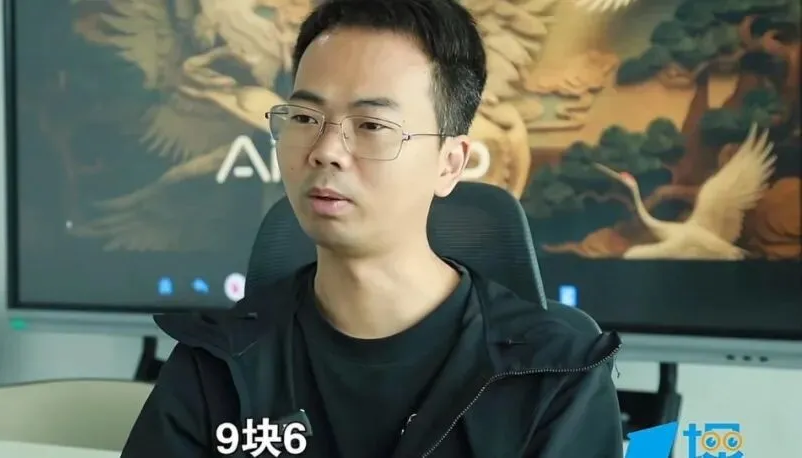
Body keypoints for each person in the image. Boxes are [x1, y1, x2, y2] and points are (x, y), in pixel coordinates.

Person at [122, 0, 624, 456]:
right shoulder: (217, 366)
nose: (325, 151)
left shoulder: (556, 374)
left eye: (372, 126)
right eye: (304, 117)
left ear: (450, 163)